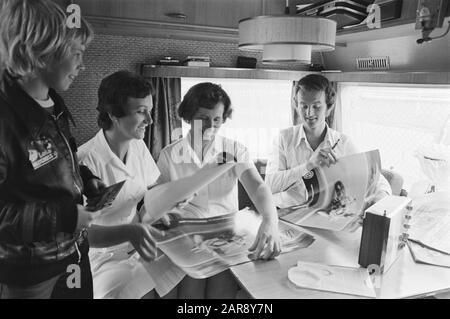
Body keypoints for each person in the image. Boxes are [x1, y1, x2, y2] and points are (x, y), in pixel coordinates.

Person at [0, 0, 102, 298]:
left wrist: (89, 182)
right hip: (30, 273)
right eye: (77, 54)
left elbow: (61, 164)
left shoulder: (54, 105)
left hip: (72, 254)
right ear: (42, 51)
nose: (83, 65)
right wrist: (65, 217)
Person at [157, 82, 281, 299]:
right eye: (203, 119)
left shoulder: (234, 150)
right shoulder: (169, 155)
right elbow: (158, 204)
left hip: (227, 238)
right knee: (191, 293)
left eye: (217, 120)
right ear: (187, 117)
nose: (210, 127)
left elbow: (258, 186)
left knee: (222, 291)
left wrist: (270, 221)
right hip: (188, 239)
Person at [77, 70, 185, 299]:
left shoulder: (138, 147)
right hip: (103, 257)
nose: (150, 120)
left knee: (189, 262)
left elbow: (153, 191)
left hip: (139, 243)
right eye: (141, 112)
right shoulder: (85, 162)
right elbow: (84, 235)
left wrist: (171, 203)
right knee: (133, 285)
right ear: (114, 114)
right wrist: (131, 232)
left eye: (151, 110)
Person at [265, 74, 391, 211]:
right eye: (304, 106)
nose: (309, 113)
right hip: (286, 213)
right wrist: (308, 166)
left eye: (316, 106)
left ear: (328, 107)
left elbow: (377, 180)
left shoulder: (343, 143)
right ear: (296, 105)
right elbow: (270, 185)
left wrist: (379, 198)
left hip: (327, 217)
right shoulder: (284, 138)